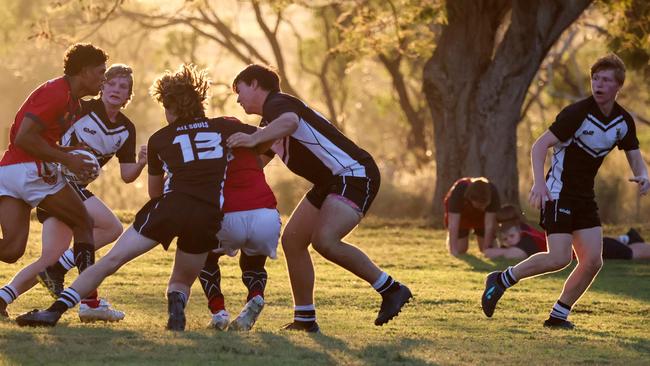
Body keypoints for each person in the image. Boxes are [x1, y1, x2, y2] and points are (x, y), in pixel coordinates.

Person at [15, 63, 258, 330]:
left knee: (111, 261)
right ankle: (176, 307)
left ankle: (54, 311)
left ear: (171, 107)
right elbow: (267, 137)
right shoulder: (223, 127)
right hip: (208, 214)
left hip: (171, 206)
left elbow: (155, 193)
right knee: (181, 279)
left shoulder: (160, 139)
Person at [227, 64, 412, 332]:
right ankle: (305, 319)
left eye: (239, 90)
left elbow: (290, 122)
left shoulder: (278, 104)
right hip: (330, 182)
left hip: (354, 174)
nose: (237, 99)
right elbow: (256, 164)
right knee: (292, 241)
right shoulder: (269, 123)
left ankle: (392, 289)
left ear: (255, 83)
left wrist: (251, 137)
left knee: (325, 241)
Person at [481, 54, 650, 329]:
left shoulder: (622, 121)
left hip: (585, 197)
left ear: (618, 85)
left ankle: (558, 316)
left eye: (606, 80)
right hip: (558, 193)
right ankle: (502, 279)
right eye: (595, 78)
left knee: (593, 261)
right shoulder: (577, 113)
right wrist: (539, 183)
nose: (599, 84)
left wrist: (643, 175)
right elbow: (539, 146)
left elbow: (633, 152)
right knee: (559, 258)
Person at [0, 64, 146, 322]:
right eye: (111, 82)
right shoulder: (81, 109)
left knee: (50, 257)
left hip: (68, 192)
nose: (116, 89)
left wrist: (143, 162)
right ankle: (88, 301)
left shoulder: (127, 129)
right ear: (101, 87)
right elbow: (46, 136)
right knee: (111, 227)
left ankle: (3, 297)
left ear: (128, 97)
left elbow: (127, 175)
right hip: (53, 183)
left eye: (123, 87)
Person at [0, 43, 106, 282]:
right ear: (85, 71)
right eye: (101, 72)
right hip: (29, 170)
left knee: (11, 250)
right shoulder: (56, 92)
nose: (104, 78)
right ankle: (87, 296)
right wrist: (68, 159)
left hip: (10, 172)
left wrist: (69, 150)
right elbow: (24, 137)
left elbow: (39, 139)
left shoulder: (72, 101)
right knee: (83, 222)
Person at [198, 145, 280, 331]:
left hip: (230, 214)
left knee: (204, 257)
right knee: (254, 265)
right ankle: (256, 295)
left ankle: (218, 312)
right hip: (266, 214)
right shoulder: (250, 141)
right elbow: (273, 142)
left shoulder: (203, 143)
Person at [487, 221, 650, 261]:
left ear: (518, 232)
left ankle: (631, 240)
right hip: (583, 244)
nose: (509, 241)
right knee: (626, 248)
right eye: (505, 239)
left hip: (585, 248)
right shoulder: (525, 231)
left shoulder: (525, 241)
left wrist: (496, 250)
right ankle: (630, 237)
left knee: (632, 253)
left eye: (511, 236)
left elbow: (511, 255)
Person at [444, 177, 500, 256]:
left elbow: (489, 225)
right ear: (471, 199)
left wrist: (487, 249)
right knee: (461, 249)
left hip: (483, 217)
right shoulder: (459, 190)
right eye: (480, 206)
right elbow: (453, 224)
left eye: (485, 205)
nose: (483, 208)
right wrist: (454, 251)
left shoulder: (492, 192)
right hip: (463, 215)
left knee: (490, 249)